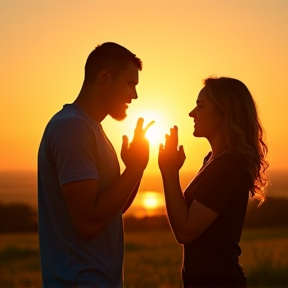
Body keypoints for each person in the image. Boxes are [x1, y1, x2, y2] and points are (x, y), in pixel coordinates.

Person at [38, 42, 153, 288]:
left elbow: (110, 212)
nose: (134, 95)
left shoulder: (90, 129)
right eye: (130, 84)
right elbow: (88, 222)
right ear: (104, 76)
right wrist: (133, 170)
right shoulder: (73, 128)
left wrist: (136, 168)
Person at [158, 77, 269, 288]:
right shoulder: (212, 160)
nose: (192, 113)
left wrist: (169, 172)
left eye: (200, 107)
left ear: (224, 113)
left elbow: (185, 231)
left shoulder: (227, 166)